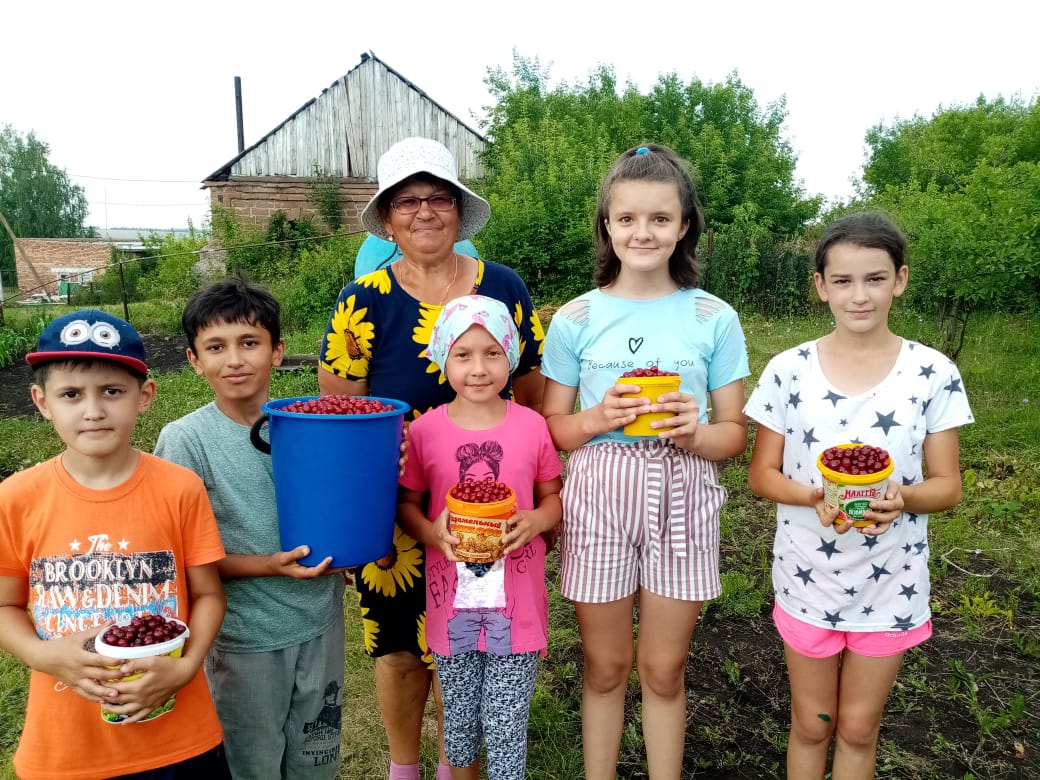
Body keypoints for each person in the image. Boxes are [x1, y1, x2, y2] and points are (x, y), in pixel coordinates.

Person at [317, 136, 545, 780]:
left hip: (490, 517)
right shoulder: (361, 300)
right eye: (406, 200)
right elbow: (342, 418)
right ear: (387, 219)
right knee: (398, 651)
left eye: (439, 198)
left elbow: (531, 396)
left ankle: (456, 767)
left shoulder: (504, 287)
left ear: (459, 210)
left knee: (468, 651)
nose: (424, 212)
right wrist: (350, 518)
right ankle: (405, 767)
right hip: (398, 512)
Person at [540, 144, 750, 779]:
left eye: (661, 218)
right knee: (605, 668)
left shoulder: (713, 317)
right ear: (607, 224)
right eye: (627, 218)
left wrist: (695, 433)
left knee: (663, 670)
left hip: (683, 495)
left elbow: (734, 435)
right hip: (598, 498)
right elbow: (554, 429)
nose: (643, 232)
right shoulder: (575, 318)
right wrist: (598, 418)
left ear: (684, 226)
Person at [744, 211, 973, 779]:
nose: (860, 295)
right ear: (821, 286)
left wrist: (905, 499)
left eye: (875, 279)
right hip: (808, 578)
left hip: (890, 581)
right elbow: (761, 475)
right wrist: (812, 497)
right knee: (811, 724)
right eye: (843, 281)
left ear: (900, 280)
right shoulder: (789, 371)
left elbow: (947, 486)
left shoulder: (932, 373)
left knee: (858, 729)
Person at [0, 309, 229, 780]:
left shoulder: (180, 489)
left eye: (111, 391)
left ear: (144, 396)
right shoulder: (16, 498)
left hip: (179, 740)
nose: (93, 410)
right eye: (71, 394)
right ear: (42, 402)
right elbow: (4, 606)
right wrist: (43, 655)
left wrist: (187, 666)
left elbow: (208, 594)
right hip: (66, 749)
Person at [154, 278, 347, 779]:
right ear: (194, 360)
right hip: (245, 639)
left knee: (316, 758)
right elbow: (179, 556)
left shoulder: (309, 423)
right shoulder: (185, 441)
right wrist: (269, 566)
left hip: (321, 621)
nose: (235, 360)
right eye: (216, 347)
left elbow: (338, 501)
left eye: (249, 342)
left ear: (277, 351)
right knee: (253, 764)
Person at [396, 295, 563, 780]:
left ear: (510, 356)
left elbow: (553, 498)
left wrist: (536, 521)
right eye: (463, 354)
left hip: (517, 609)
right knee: (459, 726)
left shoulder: (531, 426)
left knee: (506, 727)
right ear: (442, 359)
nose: (478, 368)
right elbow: (407, 506)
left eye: (492, 353)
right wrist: (431, 532)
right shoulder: (424, 432)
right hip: (453, 610)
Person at [354, 233, 480, 278]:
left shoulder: (487, 278)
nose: (425, 214)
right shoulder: (361, 294)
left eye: (439, 199)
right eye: (408, 202)